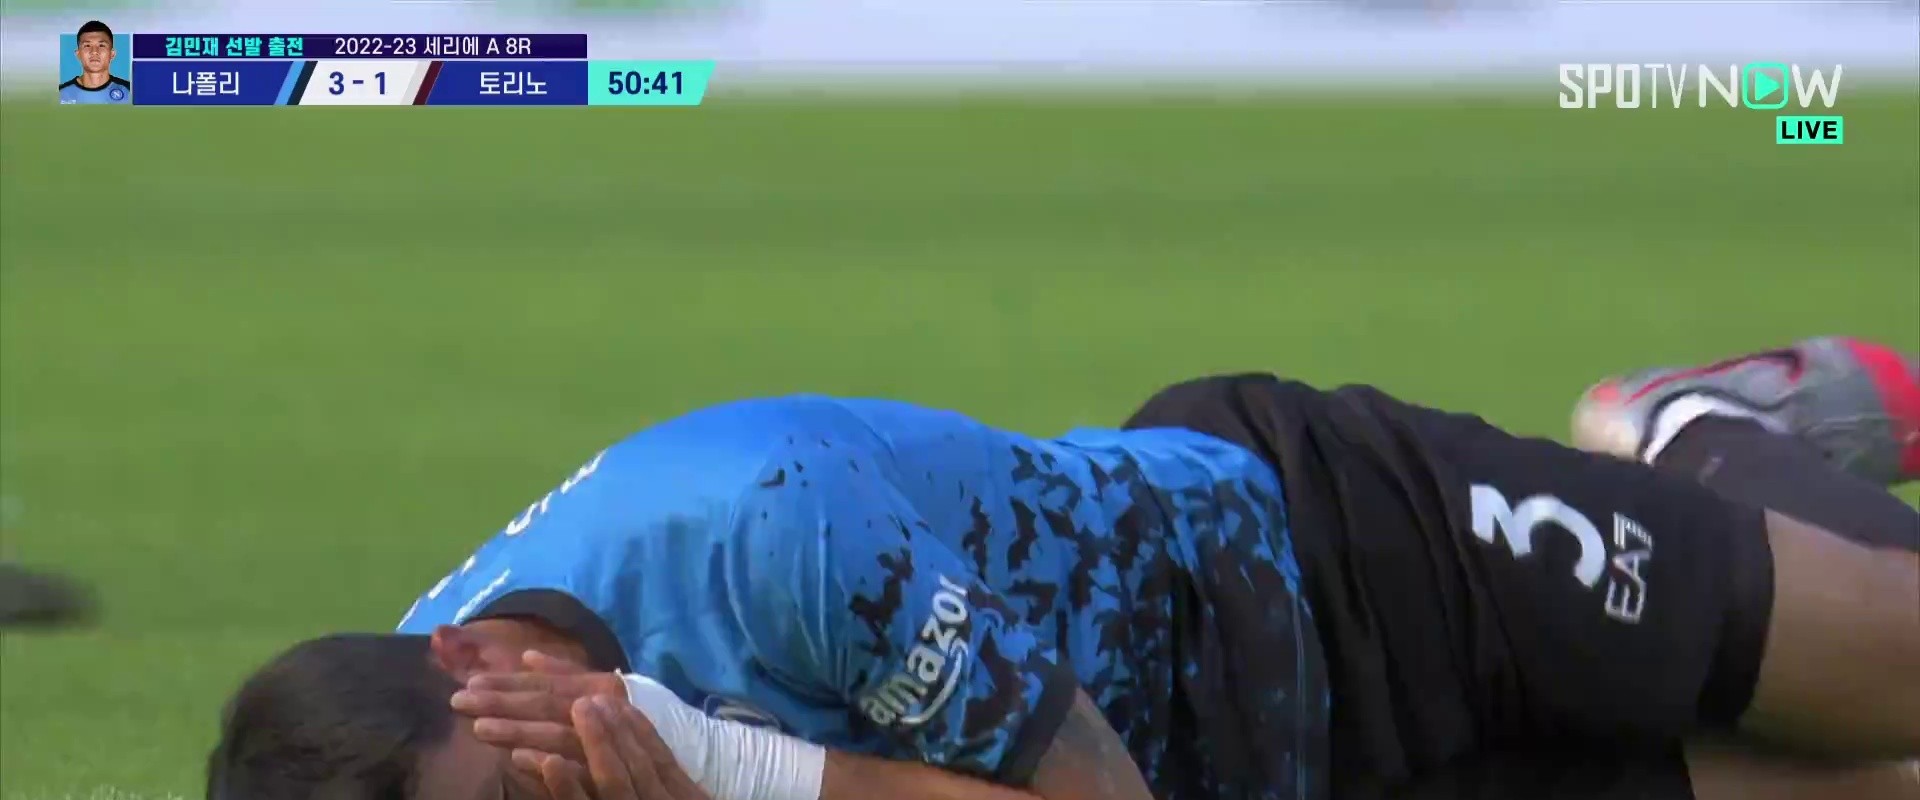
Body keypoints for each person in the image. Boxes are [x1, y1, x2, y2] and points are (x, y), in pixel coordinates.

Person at [205, 336, 1920, 800]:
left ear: (478, 665)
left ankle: (1690, 429)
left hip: (1324, 558)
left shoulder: (769, 529)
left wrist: (734, 776)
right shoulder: (446, 736)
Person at [59, 20, 130, 105]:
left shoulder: (131, 92)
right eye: (87, 46)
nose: (94, 51)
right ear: (78, 54)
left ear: (112, 54)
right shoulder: (61, 94)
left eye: (101, 45)